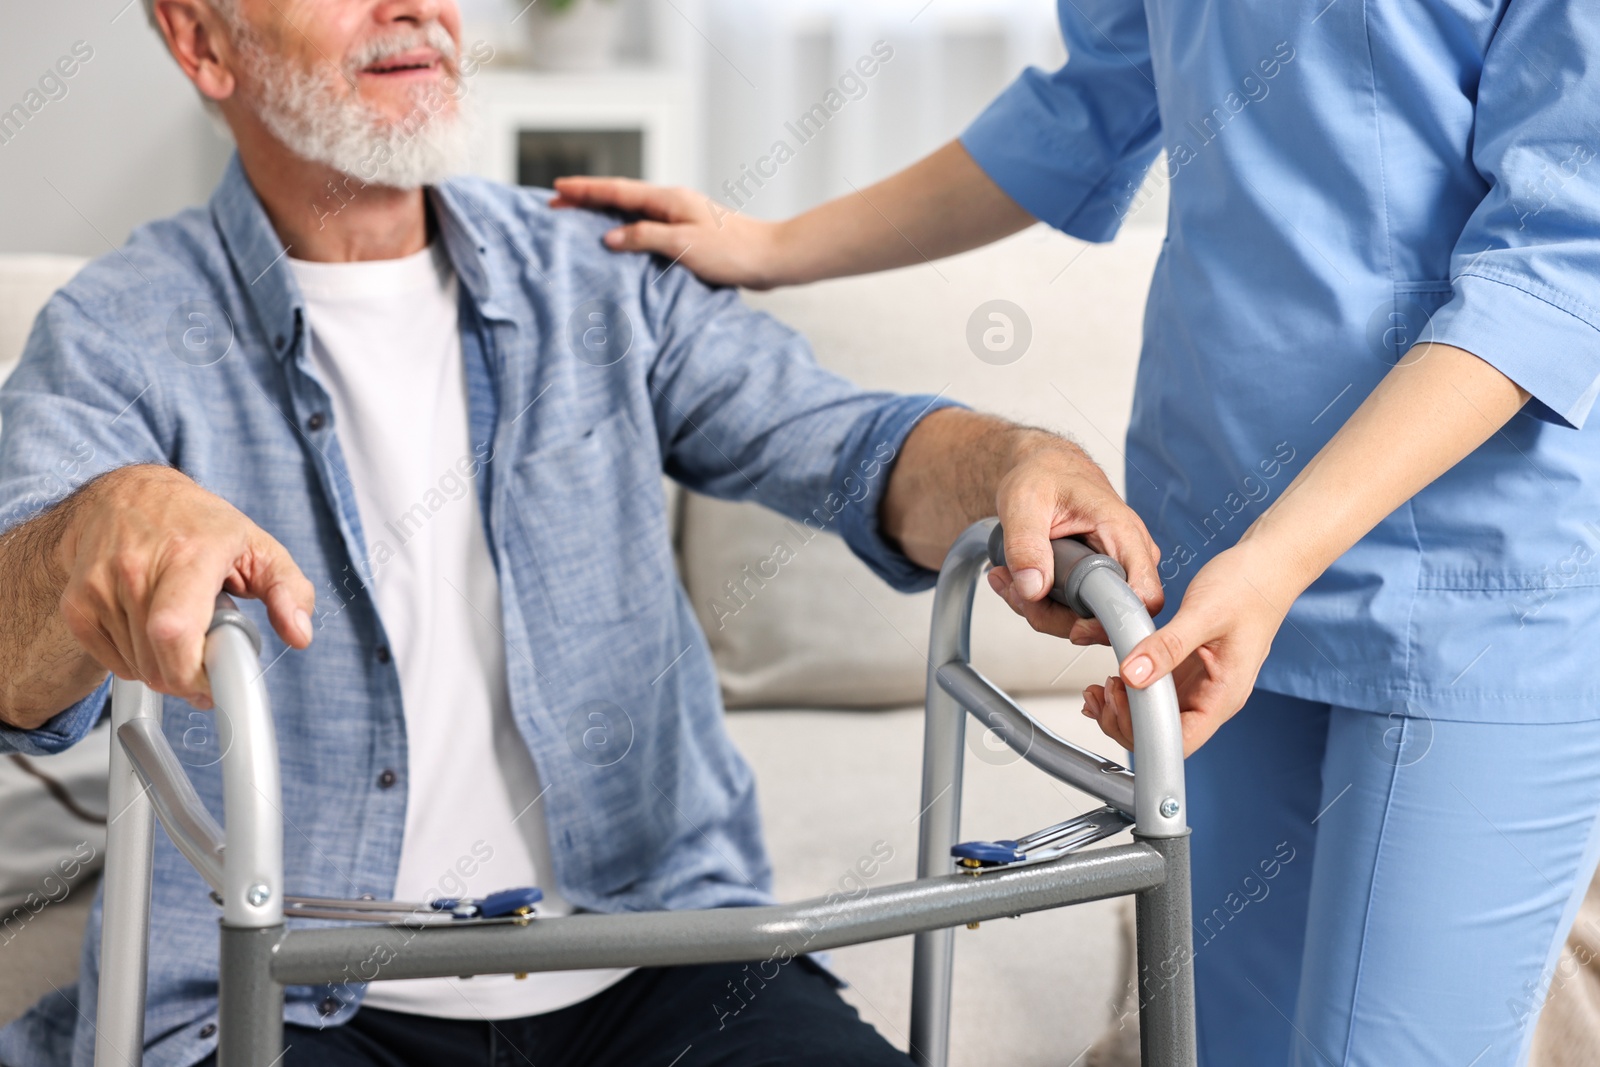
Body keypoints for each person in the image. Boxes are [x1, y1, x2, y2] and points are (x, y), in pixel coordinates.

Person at [0, 2, 1164, 1066]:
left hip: (661, 968)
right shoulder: (119, 331)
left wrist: (1007, 458)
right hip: (293, 998)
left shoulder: (596, 271)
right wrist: (83, 535)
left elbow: (856, 450)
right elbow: (14, 669)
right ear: (201, 39)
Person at [553, 2, 1600, 1064]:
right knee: (1213, 1042)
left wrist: (1276, 560)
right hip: (1215, 549)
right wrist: (767, 247)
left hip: (1471, 586)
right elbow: (1087, 107)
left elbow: (1559, 259)